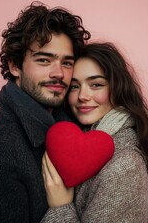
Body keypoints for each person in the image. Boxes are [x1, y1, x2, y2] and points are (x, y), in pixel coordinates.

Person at [0, 1, 90, 223]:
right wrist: (61, 211)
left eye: (67, 62)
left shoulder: (77, 120)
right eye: (44, 60)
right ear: (15, 65)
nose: (58, 74)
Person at [41, 42, 148, 222]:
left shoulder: (124, 166)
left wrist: (60, 208)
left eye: (96, 84)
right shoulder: (74, 139)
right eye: (74, 86)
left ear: (118, 88)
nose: (82, 95)